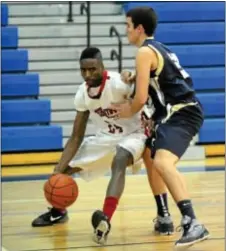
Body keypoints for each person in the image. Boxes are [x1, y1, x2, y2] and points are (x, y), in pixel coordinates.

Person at [31, 47, 174, 244]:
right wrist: (58, 170)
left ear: (102, 66)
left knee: (120, 160)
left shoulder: (118, 83)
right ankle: (58, 211)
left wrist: (153, 114)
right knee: (64, 170)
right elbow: (76, 136)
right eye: (84, 70)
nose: (88, 74)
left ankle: (105, 220)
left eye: (92, 69)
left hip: (136, 133)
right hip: (107, 137)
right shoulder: (82, 93)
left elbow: (146, 92)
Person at [110, 7, 210, 249]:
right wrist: (133, 77)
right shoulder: (158, 48)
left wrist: (126, 110)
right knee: (152, 158)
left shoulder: (144, 52)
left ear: (139, 29)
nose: (126, 30)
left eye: (128, 25)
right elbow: (158, 80)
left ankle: (192, 222)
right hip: (179, 110)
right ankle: (165, 216)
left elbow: (141, 99)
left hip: (181, 111)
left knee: (163, 163)